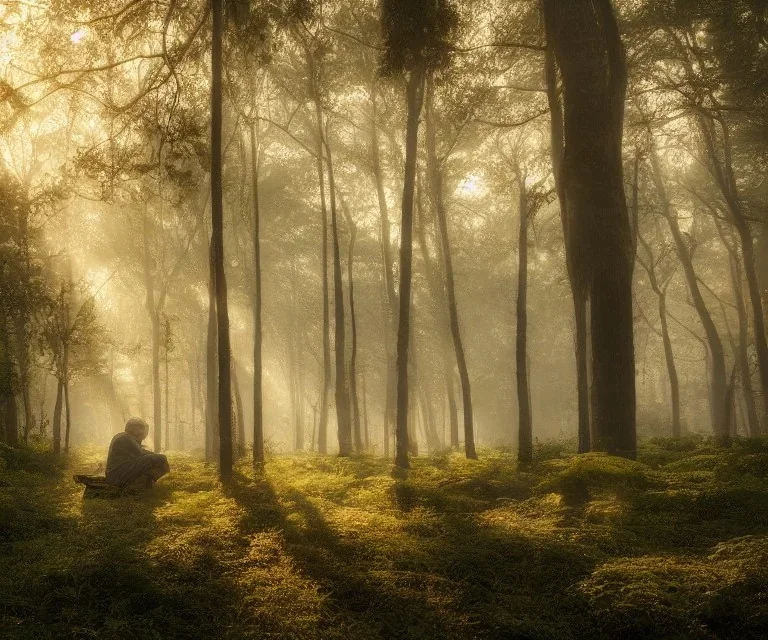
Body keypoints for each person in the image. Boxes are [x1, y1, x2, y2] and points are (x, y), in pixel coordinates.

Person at [105, 418, 170, 490]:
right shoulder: (125, 438)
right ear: (133, 428)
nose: (144, 432)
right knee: (160, 459)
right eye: (141, 428)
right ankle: (138, 484)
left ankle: (144, 482)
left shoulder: (126, 437)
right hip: (117, 474)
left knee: (158, 459)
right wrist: (158, 457)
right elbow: (141, 453)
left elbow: (140, 452)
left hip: (117, 473)